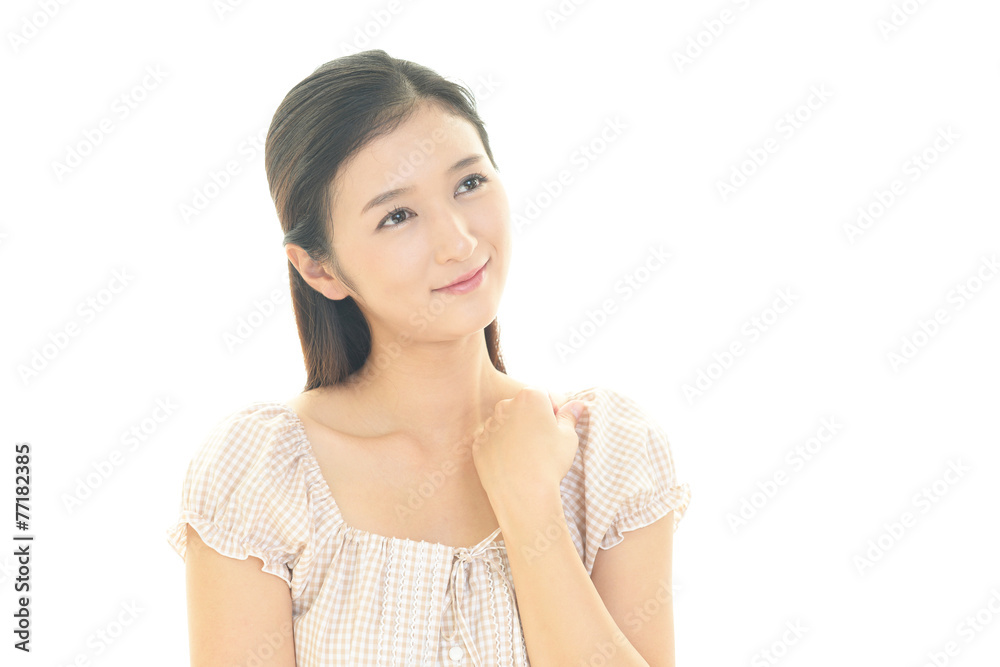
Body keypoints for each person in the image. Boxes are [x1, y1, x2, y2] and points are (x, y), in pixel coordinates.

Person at [166, 49, 691, 666]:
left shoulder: (606, 452)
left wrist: (528, 503)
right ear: (319, 268)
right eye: (397, 216)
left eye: (469, 183)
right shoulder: (262, 473)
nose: (458, 242)